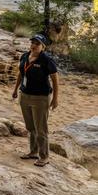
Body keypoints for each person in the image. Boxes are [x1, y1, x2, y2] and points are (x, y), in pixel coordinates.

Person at [12, 33, 59, 167]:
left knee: (41, 129)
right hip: (25, 95)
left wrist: (55, 99)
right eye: (32, 42)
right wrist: (16, 89)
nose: (33, 45)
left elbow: (55, 80)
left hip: (40, 98)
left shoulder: (46, 60)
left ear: (43, 47)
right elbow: (21, 73)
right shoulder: (25, 56)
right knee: (30, 127)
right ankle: (33, 152)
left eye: (37, 44)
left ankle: (44, 156)